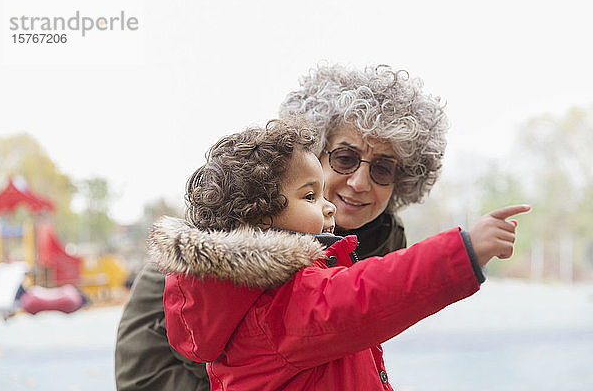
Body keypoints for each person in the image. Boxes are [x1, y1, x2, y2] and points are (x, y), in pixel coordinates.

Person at [113, 63, 494, 389]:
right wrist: (463, 252)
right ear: (309, 157)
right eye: (345, 158)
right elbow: (147, 371)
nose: (360, 182)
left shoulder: (381, 241)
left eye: (382, 168)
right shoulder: (212, 248)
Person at [150, 118, 529, 390]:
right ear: (262, 217)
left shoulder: (238, 295)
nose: (329, 205)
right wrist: (464, 250)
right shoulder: (281, 302)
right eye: (311, 196)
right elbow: (370, 294)